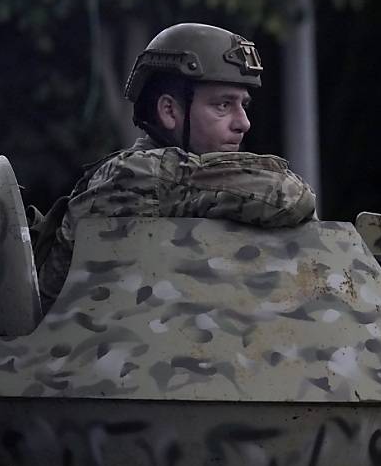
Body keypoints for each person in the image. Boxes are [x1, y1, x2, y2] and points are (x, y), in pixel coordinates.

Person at [35, 22, 317, 311]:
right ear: (169, 111)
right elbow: (288, 197)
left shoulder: (176, 185)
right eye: (223, 105)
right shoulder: (137, 175)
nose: (243, 122)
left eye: (244, 105)